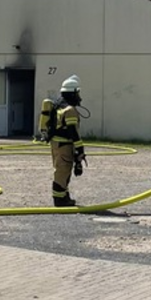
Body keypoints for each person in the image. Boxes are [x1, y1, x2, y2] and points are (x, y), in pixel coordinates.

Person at [46, 75, 86, 207]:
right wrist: (80, 150)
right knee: (63, 171)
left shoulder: (58, 106)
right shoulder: (70, 110)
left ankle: (64, 196)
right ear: (73, 93)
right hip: (64, 145)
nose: (79, 96)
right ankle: (59, 200)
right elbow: (73, 132)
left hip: (56, 144)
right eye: (77, 93)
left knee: (62, 170)